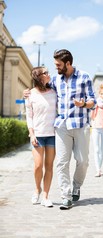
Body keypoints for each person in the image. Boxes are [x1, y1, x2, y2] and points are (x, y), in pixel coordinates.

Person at [24, 49, 96, 210]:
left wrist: (83, 104)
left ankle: (76, 186)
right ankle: (66, 195)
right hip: (61, 126)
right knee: (62, 163)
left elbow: (93, 101)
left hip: (80, 124)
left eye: (58, 64)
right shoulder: (55, 80)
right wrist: (27, 92)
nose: (55, 67)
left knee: (83, 161)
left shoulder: (84, 77)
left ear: (68, 63)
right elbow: (39, 86)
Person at [25, 66, 57, 207]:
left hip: (52, 135)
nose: (48, 74)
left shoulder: (54, 92)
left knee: (49, 166)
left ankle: (45, 196)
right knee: (38, 166)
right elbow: (29, 116)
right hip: (37, 135)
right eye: (45, 73)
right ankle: (37, 189)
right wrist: (32, 134)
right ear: (38, 77)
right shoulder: (30, 94)